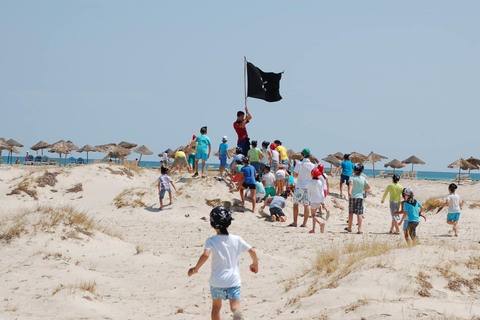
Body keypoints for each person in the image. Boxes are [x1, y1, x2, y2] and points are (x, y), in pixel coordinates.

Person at [188, 206, 259, 320]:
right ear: (229, 222)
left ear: (211, 224)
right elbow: (252, 251)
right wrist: (255, 264)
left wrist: (195, 269)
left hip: (217, 280)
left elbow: (205, 255)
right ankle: (237, 313)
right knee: (235, 305)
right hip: (233, 280)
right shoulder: (237, 239)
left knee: (216, 306)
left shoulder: (211, 240)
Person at [289, 148, 315, 228]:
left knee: (296, 204)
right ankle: (304, 223)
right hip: (308, 187)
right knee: (306, 205)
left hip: (300, 186)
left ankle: (295, 222)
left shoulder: (299, 164)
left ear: (302, 155)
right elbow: (313, 175)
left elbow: (294, 175)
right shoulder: (312, 165)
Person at [345, 164, 370, 234]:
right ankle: (359, 229)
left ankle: (350, 227)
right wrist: (363, 189)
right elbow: (368, 187)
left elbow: (351, 184)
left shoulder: (352, 177)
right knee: (359, 213)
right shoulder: (363, 179)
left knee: (351, 213)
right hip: (360, 197)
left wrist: (349, 192)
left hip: (352, 197)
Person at [307, 168, 326, 234]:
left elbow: (308, 192)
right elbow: (322, 193)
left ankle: (320, 223)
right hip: (319, 200)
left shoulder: (309, 183)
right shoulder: (320, 182)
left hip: (313, 200)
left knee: (313, 215)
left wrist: (309, 200)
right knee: (314, 215)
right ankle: (313, 229)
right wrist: (323, 202)